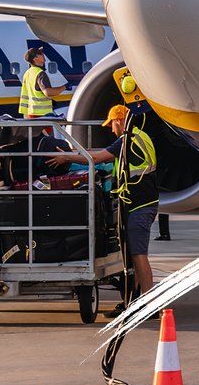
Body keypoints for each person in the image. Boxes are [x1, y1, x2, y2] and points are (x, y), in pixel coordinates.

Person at [55, 105, 159, 306]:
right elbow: (104, 154)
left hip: (139, 206)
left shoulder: (126, 141)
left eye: (112, 124)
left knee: (139, 256)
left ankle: (149, 305)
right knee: (133, 257)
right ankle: (135, 300)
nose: (111, 129)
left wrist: (66, 157)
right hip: (143, 203)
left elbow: (96, 158)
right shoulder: (141, 137)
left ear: (119, 120)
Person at [17, 45, 71, 118]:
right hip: (41, 115)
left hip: (30, 113)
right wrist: (65, 87)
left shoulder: (28, 73)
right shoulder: (40, 73)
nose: (43, 55)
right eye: (41, 54)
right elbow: (48, 92)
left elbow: (35, 92)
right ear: (35, 58)